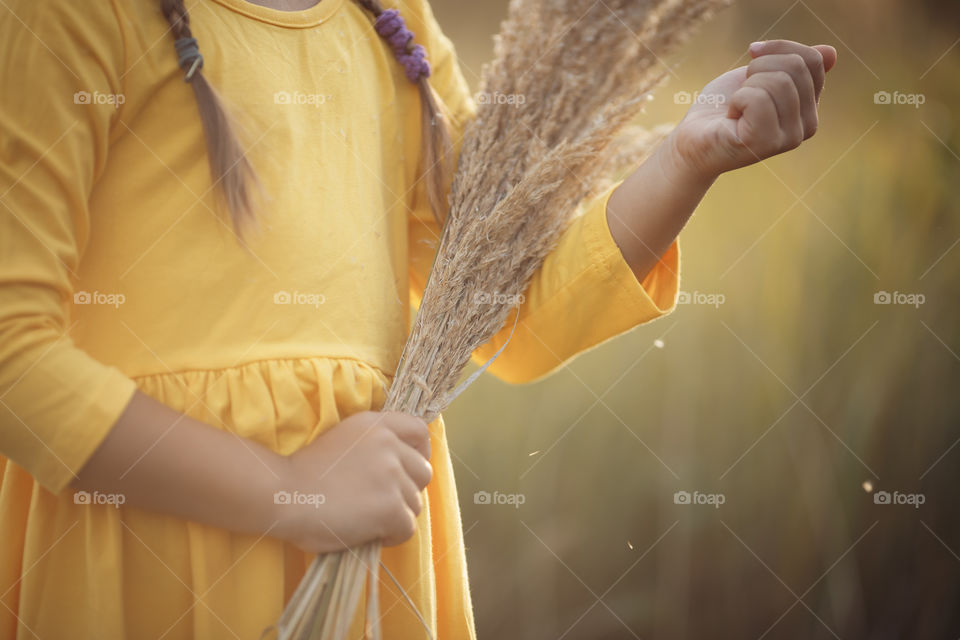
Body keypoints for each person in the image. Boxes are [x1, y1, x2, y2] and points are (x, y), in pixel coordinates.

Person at [0, 0, 836, 636]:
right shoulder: (69, 17)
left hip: (363, 571)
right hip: (143, 565)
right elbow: (14, 361)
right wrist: (290, 492)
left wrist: (687, 159)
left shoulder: (390, 23)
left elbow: (506, 317)